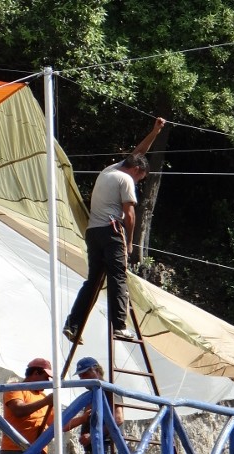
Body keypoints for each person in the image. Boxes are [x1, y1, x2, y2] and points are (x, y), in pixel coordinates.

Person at [65, 118, 167, 343]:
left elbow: (138, 153)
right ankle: (120, 326)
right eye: (140, 178)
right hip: (112, 232)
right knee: (118, 277)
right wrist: (129, 243)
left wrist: (154, 132)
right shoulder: (126, 179)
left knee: (92, 282)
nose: (138, 182)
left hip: (93, 233)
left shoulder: (109, 171)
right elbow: (129, 215)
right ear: (136, 170)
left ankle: (73, 324)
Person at [64, 357, 124, 454]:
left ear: (96, 370)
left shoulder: (109, 390)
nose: (82, 378)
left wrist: (92, 436)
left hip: (105, 447)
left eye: (85, 374)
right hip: (90, 451)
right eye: (80, 375)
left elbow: (118, 418)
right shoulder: (91, 394)